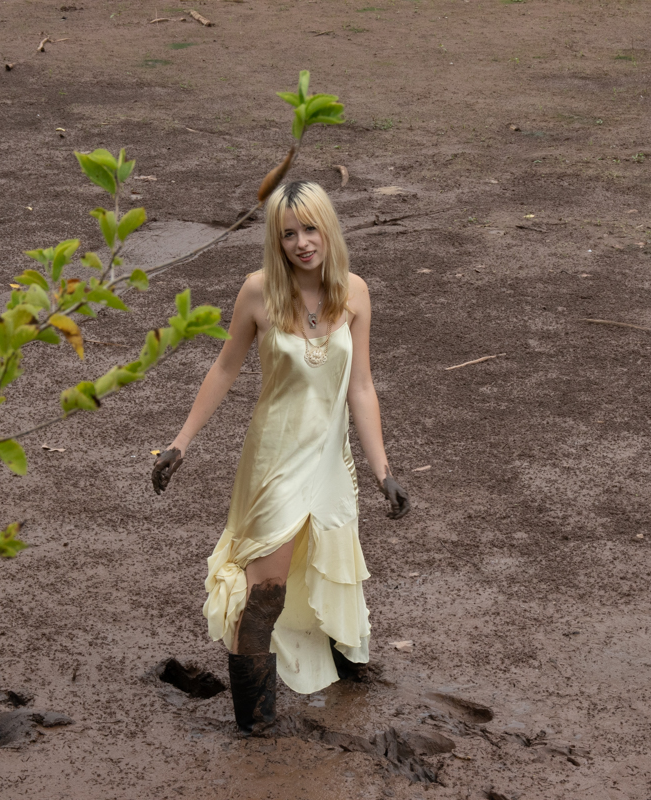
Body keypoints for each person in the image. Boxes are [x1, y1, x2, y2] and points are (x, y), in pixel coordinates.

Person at [151, 180, 411, 735]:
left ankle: (342, 665)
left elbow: (361, 386)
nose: (301, 243)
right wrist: (180, 442)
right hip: (275, 460)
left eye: (311, 229)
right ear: (276, 240)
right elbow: (225, 368)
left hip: (330, 461)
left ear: (328, 229)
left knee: (325, 567)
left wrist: (383, 471)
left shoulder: (355, 293)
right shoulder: (258, 292)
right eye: (289, 234)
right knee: (264, 592)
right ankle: (256, 726)